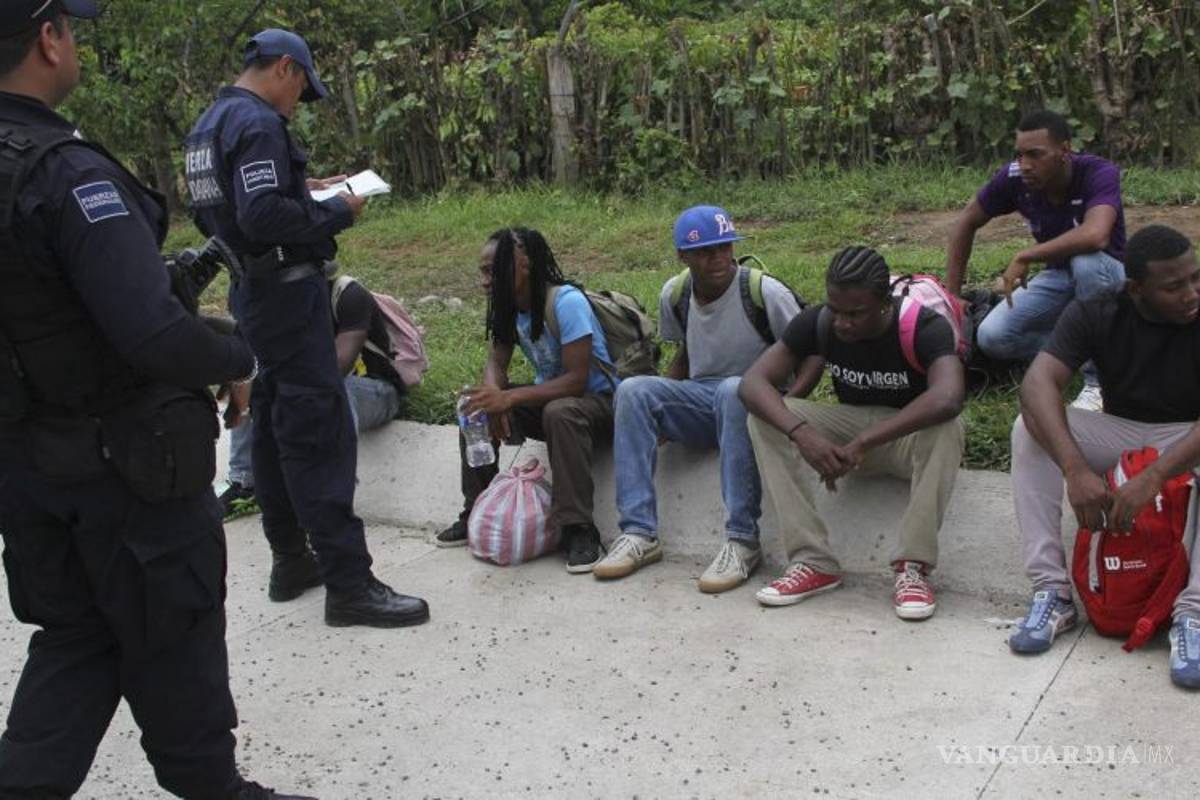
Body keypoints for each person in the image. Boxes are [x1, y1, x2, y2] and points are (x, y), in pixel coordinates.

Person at [0, 3, 311, 797]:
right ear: (48, 39)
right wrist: (236, 354)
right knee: (173, 634)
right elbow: (152, 337)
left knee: (76, 639)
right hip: (127, 476)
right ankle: (212, 786)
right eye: (70, 27)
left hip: (29, 468)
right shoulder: (66, 173)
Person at [184, 28, 428, 626]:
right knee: (317, 432)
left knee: (271, 428)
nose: (298, 103)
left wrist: (303, 190)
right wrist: (336, 208)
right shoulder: (258, 123)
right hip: (289, 298)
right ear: (285, 69)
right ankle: (350, 585)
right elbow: (263, 215)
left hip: (251, 293)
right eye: (302, 89)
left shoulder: (207, 127)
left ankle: (290, 560)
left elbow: (226, 211)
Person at [1007, 225, 1200, 690]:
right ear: (1135, 289)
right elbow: (1037, 384)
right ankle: (1051, 591)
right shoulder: (1099, 310)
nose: (1191, 293)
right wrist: (1074, 469)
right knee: (1027, 429)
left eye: (1196, 278)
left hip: (1187, 436)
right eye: (1173, 286)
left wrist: (1154, 476)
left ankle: (1193, 615)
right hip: (1120, 431)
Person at [740, 247, 966, 619]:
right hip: (849, 434)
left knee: (947, 425)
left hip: (905, 440)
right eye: (836, 310)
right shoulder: (818, 322)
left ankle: (913, 566)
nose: (842, 323)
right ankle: (812, 562)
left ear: (885, 303)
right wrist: (802, 433)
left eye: (855, 313)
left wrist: (864, 441)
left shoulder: (924, 326)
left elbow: (948, 397)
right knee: (764, 417)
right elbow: (752, 384)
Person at [592, 205, 803, 593]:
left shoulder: (764, 292)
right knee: (634, 390)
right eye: (706, 251)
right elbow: (686, 352)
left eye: (725, 247)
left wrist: (793, 412)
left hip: (759, 402)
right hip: (706, 397)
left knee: (733, 389)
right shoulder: (675, 294)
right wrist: (660, 411)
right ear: (683, 256)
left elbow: (807, 348)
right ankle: (638, 533)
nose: (719, 258)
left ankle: (742, 540)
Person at [435, 228, 616, 572]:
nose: (484, 281)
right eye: (482, 272)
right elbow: (496, 362)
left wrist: (510, 398)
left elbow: (576, 381)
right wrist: (493, 396)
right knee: (475, 407)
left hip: (599, 404)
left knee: (560, 411)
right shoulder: (507, 306)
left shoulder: (566, 302)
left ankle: (578, 528)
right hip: (552, 404)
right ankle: (476, 510)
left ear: (524, 265)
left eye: (492, 271)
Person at [945, 109, 1126, 410]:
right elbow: (966, 220)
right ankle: (1085, 352)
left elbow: (1096, 235)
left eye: (1035, 155)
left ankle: (1099, 383)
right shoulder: (1014, 177)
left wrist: (1027, 254)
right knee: (993, 337)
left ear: (1064, 150)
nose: (1025, 165)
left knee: (1086, 263)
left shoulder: (1098, 172)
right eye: (1019, 155)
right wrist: (951, 296)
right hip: (1059, 275)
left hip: (1109, 274)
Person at [218, 274, 406, 520]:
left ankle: (335, 490)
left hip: (377, 390)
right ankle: (244, 483)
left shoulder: (347, 295)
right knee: (248, 380)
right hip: (304, 383)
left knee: (336, 391)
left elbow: (336, 370)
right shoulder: (273, 303)